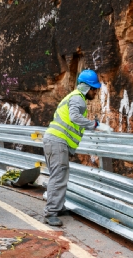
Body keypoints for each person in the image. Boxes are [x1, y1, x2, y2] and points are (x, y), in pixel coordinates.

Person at [42, 69, 103, 228]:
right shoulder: (78, 99)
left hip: (54, 141)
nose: (95, 92)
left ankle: (58, 206)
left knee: (59, 175)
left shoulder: (74, 97)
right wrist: (94, 125)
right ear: (86, 87)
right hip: (57, 141)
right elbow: (74, 117)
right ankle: (51, 213)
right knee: (59, 176)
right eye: (94, 89)